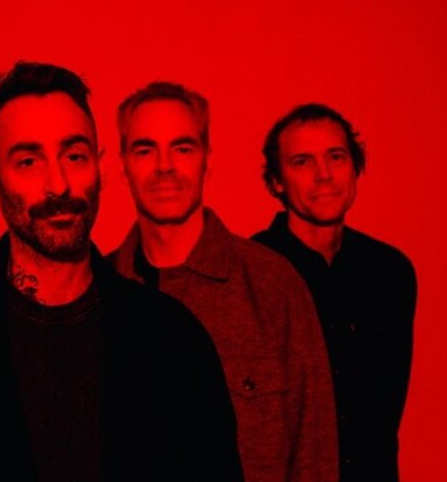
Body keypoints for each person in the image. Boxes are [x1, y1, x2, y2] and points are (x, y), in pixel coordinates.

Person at [0, 62, 242, 481]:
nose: (58, 184)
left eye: (74, 156)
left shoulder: (173, 339)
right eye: (29, 162)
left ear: (101, 168)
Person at [107, 82, 338, 482]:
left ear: (207, 161)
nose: (165, 167)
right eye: (145, 150)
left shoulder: (274, 286)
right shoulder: (97, 294)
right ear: (123, 165)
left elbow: (314, 453)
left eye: (182, 148)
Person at [251, 104, 417, 482]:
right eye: (302, 162)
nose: (324, 174)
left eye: (336, 157)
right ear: (277, 181)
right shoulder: (251, 273)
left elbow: (383, 415)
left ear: (355, 167)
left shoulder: (390, 272)